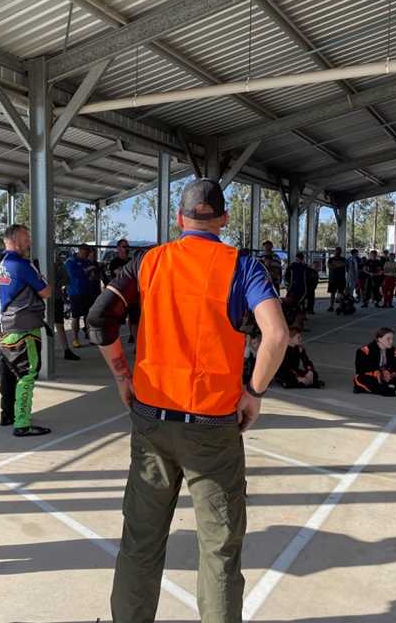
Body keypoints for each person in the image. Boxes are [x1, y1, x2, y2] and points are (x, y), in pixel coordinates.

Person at [87, 178, 289, 623]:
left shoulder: (148, 263)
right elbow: (276, 335)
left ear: (179, 220)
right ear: (223, 219)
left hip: (152, 419)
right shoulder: (243, 266)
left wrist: (123, 376)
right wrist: (252, 393)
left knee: (141, 541)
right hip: (212, 425)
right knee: (218, 549)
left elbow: (100, 317)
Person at [0, 225, 54, 436]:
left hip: (4, 326)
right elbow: (46, 291)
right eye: (27, 238)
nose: (29, 242)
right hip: (23, 327)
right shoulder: (22, 264)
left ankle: (7, 413)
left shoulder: (0, 264)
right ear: (17, 240)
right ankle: (22, 423)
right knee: (28, 372)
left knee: (10, 372)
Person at [353, 327, 396, 398]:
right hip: (368, 377)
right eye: (388, 339)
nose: (391, 341)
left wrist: (390, 374)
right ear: (379, 339)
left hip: (382, 378)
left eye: (392, 339)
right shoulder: (365, 351)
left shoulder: (393, 350)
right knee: (366, 381)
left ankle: (374, 389)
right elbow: (360, 369)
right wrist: (377, 372)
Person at [65, 244, 96, 347]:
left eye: (87, 253)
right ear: (79, 250)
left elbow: (92, 274)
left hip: (87, 291)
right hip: (75, 293)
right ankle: (75, 339)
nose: (85, 255)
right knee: (76, 316)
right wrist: (87, 270)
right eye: (84, 253)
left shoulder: (87, 262)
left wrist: (91, 274)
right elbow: (73, 274)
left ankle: (90, 336)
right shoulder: (71, 261)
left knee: (88, 316)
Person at [52, 252, 81, 361]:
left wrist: (57, 283)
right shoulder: (36, 261)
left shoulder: (59, 265)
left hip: (56, 298)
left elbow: (67, 279)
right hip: (44, 299)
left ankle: (66, 350)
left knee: (59, 325)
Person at [326, 246, 347, 311]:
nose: (338, 252)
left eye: (339, 251)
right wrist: (338, 265)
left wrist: (335, 264)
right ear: (334, 251)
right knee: (332, 293)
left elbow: (343, 264)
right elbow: (330, 266)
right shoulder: (331, 259)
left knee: (341, 293)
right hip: (333, 279)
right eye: (337, 250)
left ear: (340, 252)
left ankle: (341, 306)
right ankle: (331, 306)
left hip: (341, 279)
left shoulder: (343, 259)